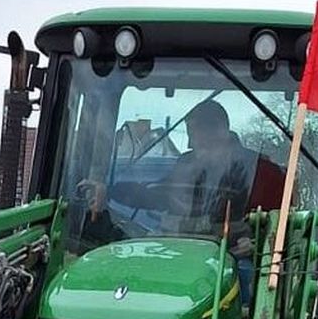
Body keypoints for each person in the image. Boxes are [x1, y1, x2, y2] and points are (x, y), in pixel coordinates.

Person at [81, 100, 286, 302]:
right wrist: (109, 192)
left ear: (220, 131)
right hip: (180, 254)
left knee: (251, 279)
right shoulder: (187, 164)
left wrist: (256, 245)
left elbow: (283, 227)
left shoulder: (264, 172)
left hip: (233, 259)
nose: (189, 144)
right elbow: (155, 195)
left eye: (194, 135)